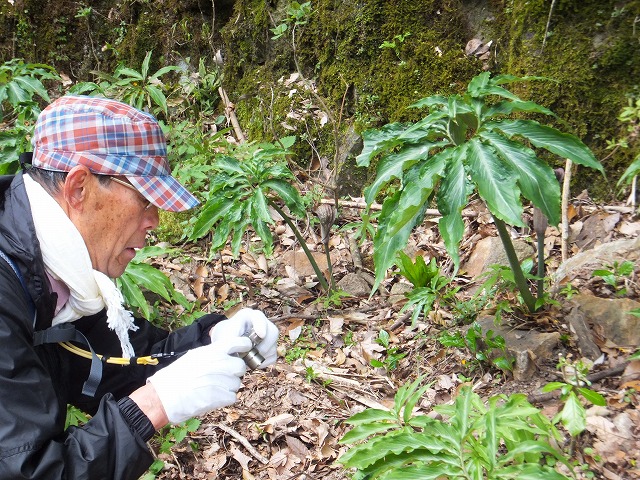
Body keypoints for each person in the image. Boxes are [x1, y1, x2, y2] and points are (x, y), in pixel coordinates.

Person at [0, 95, 279, 479]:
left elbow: (121, 356)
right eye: (145, 199)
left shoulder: (55, 269)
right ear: (79, 187)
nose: (155, 221)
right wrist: (153, 405)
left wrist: (213, 338)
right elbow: (29, 470)